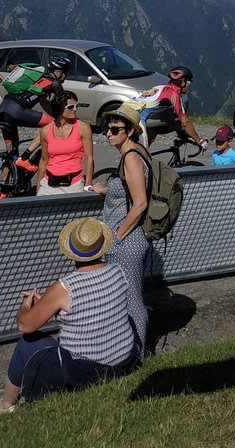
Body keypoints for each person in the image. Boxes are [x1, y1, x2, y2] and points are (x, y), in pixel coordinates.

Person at [0, 217, 139, 413]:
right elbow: (93, 303)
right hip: (124, 360)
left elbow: (25, 325)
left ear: (73, 251)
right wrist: (49, 303)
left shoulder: (66, 286)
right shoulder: (118, 271)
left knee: (27, 344)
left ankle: (6, 405)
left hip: (86, 370)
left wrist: (25, 307)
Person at [91, 107, 151, 354]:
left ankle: (139, 351)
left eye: (115, 129)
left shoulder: (130, 157)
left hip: (126, 241)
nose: (108, 133)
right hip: (130, 240)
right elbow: (127, 189)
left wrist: (117, 236)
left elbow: (140, 204)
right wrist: (106, 189)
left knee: (132, 300)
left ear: (130, 132)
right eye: (107, 128)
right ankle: (130, 349)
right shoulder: (136, 151)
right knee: (128, 297)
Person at [0, 55, 71, 170]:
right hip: (16, 111)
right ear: (58, 72)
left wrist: (54, 115)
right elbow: (62, 106)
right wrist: (63, 119)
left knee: (11, 155)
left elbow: (43, 102)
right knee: (51, 124)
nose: (66, 76)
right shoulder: (55, 83)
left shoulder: (38, 79)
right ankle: (25, 157)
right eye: (66, 73)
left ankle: (5, 187)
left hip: (3, 110)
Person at [36, 90, 94, 196]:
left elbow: (89, 159)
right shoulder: (45, 131)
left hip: (74, 183)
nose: (75, 110)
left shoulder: (83, 128)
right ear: (60, 108)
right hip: (49, 183)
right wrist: (39, 184)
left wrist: (87, 184)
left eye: (76, 106)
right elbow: (44, 160)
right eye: (71, 107)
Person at [137, 66, 206, 150]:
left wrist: (180, 132)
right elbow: (186, 122)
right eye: (189, 83)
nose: (189, 87)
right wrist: (199, 141)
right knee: (142, 153)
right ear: (183, 83)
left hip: (125, 111)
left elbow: (165, 116)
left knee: (152, 132)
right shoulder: (174, 95)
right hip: (137, 119)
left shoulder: (160, 88)